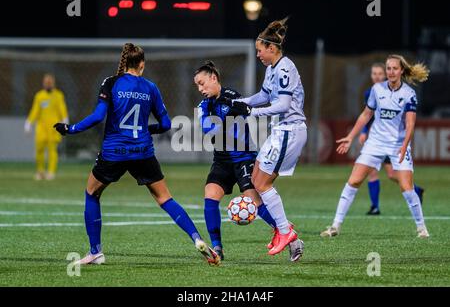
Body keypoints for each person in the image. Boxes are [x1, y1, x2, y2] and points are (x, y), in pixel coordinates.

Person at [53, 43, 220, 266]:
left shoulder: (111, 82)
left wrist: (70, 129)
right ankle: (197, 238)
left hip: (115, 151)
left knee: (92, 193)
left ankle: (96, 252)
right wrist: (146, 129)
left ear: (124, 62)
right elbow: (166, 124)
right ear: (142, 64)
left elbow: (97, 117)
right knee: (165, 198)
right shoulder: (150, 87)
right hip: (143, 151)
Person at [194, 61, 303, 262]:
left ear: (213, 78)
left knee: (256, 203)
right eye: (197, 86)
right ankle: (217, 247)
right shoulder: (204, 106)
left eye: (202, 83)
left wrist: (230, 113)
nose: (200, 89)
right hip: (222, 160)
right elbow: (207, 128)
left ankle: (291, 238)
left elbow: (244, 109)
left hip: (244, 158)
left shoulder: (233, 97)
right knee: (210, 197)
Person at [220, 17, 307, 257]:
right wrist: (238, 102)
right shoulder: (271, 69)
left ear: (272, 48)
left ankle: (285, 231)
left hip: (290, 130)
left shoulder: (286, 67)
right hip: (279, 131)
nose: (258, 55)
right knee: (255, 182)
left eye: (260, 50)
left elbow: (282, 104)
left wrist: (251, 112)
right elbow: (262, 95)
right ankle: (285, 233)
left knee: (262, 183)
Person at [321, 54, 430, 238]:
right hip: (375, 143)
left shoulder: (409, 94)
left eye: (395, 68)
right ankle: (335, 226)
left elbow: (410, 124)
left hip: (397, 145)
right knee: (353, 181)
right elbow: (366, 115)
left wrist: (404, 147)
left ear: (401, 70)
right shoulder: (377, 89)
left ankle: (421, 228)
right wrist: (350, 137)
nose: (391, 72)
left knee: (406, 187)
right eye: (388, 68)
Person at [359, 63, 425, 215]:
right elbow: (368, 115)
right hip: (377, 140)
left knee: (391, 174)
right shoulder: (371, 92)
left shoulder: (400, 92)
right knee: (372, 171)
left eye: (379, 73)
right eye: (373, 73)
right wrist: (364, 131)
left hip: (392, 140)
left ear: (386, 75)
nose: (376, 76)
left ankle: (415, 189)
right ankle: (375, 207)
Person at [25, 73, 68, 180]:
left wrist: (65, 121)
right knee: (39, 149)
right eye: (46, 82)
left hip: (54, 127)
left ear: (53, 83)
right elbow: (35, 111)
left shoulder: (58, 95)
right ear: (43, 83)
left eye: (50, 82)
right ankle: (40, 171)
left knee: (52, 150)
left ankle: (51, 172)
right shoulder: (39, 96)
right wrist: (29, 122)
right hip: (41, 127)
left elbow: (62, 109)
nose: (48, 84)